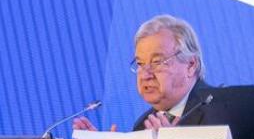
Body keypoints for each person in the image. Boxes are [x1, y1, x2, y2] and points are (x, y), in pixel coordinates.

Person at [73, 15, 218, 132]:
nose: (145, 75)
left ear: (190, 65)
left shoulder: (220, 114)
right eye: (140, 64)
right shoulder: (143, 125)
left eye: (157, 62)